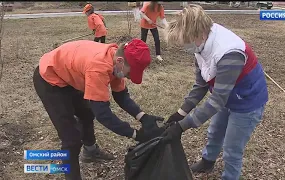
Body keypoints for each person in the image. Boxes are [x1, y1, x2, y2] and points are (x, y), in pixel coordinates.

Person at [162, 5, 268, 180]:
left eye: (185, 41)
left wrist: (182, 127)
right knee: (215, 131)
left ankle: (230, 177)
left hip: (247, 100)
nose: (184, 47)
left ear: (200, 34)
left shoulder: (229, 53)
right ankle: (208, 161)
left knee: (232, 148)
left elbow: (217, 100)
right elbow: (201, 84)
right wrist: (180, 113)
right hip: (227, 95)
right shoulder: (199, 45)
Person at [33, 38, 164, 180]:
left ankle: (90, 151)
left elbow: (121, 96)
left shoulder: (115, 61)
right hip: (50, 78)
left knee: (87, 114)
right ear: (120, 61)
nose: (130, 77)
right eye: (130, 73)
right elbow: (103, 114)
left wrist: (143, 117)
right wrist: (135, 134)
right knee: (71, 138)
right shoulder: (98, 68)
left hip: (70, 75)